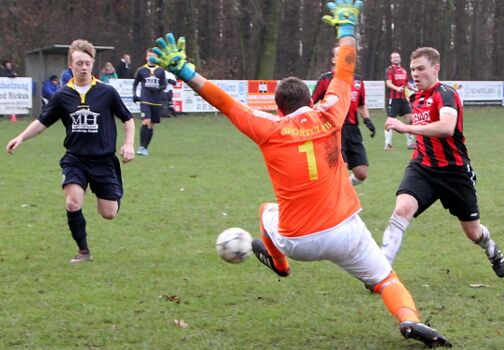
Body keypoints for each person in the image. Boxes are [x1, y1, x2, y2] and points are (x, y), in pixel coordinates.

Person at [150, 1, 452, 347]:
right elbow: (344, 73)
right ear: (311, 98)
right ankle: (409, 320)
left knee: (267, 210)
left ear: (279, 107)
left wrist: (185, 71)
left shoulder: (269, 128)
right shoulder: (330, 114)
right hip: (345, 229)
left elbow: (225, 102)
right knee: (386, 280)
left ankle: (279, 264)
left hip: (298, 241)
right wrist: (346, 29)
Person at [5, 39, 135, 264]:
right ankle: (83, 251)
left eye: (87, 63)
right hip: (75, 159)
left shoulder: (107, 92)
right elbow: (42, 122)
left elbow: (128, 120)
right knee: (73, 202)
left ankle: (111, 193)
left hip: (103, 160)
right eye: (79, 63)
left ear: (92, 63)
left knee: (109, 213)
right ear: (70, 66)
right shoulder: (62, 96)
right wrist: (21, 137)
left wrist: (129, 144)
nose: (83, 67)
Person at [382, 47, 504, 279]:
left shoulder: (446, 93)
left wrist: (405, 127)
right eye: (412, 69)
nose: (415, 74)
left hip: (454, 173)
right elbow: (421, 122)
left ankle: (491, 249)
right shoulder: (414, 97)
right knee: (401, 210)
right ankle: (379, 272)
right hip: (422, 168)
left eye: (421, 68)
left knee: (473, 233)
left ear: (435, 68)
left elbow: (446, 127)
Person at [311, 47, 375, 186]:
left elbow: (361, 105)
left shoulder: (358, 81)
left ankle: (339, 188)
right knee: (341, 168)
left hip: (353, 130)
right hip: (334, 130)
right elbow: (311, 102)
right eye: (339, 55)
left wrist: (367, 120)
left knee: (361, 173)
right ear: (333, 59)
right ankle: (339, 198)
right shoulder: (325, 79)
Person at [133, 49, 167, 156]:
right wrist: (134, 94)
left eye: (154, 56)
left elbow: (164, 85)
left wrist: (158, 88)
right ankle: (141, 147)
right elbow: (135, 83)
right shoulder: (141, 70)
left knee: (152, 125)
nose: (151, 58)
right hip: (145, 100)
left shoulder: (161, 70)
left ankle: (145, 148)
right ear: (146, 57)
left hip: (156, 101)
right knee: (145, 121)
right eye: (150, 55)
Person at [384, 52, 416, 150]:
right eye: (394, 57)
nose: (396, 59)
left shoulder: (404, 70)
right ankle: (388, 144)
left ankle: (410, 143)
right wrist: (397, 88)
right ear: (391, 60)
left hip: (403, 99)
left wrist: (416, 90)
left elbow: (407, 84)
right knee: (390, 121)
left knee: (411, 119)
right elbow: (388, 83)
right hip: (393, 99)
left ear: (400, 58)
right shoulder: (390, 70)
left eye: (397, 57)